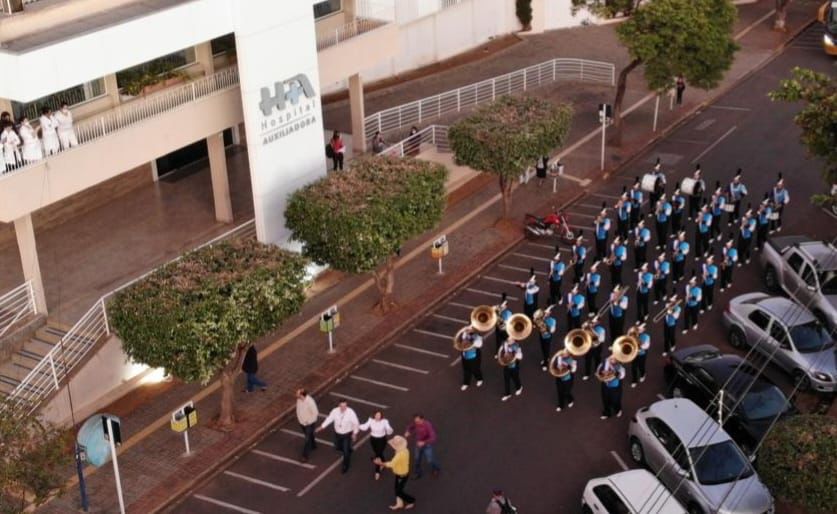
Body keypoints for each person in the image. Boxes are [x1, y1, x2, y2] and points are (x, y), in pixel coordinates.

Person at [317, 400, 360, 473]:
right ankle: (349, 448)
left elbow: (356, 423)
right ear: (339, 405)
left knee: (345, 452)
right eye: (342, 406)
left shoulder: (351, 412)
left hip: (346, 434)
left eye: (345, 406)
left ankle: (345, 465)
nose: (343, 408)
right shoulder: (335, 411)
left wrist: (354, 433)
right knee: (338, 447)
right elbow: (329, 419)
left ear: (347, 405)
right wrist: (322, 426)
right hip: (337, 434)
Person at [373, 435, 415, 510]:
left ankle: (411, 500)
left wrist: (380, 463)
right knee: (397, 489)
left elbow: (391, 464)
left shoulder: (399, 455)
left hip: (401, 475)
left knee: (399, 491)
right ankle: (399, 503)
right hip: (402, 472)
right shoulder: (405, 450)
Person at [359, 411, 394, 480]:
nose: (378, 416)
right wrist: (357, 425)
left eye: (379, 415)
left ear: (381, 416)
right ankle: (383, 463)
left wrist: (389, 429)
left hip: (382, 440)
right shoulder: (370, 420)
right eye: (376, 415)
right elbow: (365, 427)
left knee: (377, 455)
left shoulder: (384, 421)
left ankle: (377, 471)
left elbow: (389, 429)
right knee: (379, 453)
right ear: (374, 415)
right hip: (373, 440)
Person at [404, 414, 440, 478]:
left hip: (427, 445)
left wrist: (424, 442)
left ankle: (436, 468)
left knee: (430, 460)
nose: (416, 423)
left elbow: (433, 437)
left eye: (418, 421)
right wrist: (408, 431)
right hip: (418, 444)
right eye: (415, 421)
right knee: (417, 459)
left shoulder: (428, 425)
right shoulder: (416, 423)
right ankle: (417, 473)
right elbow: (410, 427)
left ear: (422, 419)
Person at [295, 388, 319, 462]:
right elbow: (298, 409)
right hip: (302, 423)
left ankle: (305, 456)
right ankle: (313, 445)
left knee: (307, 439)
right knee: (309, 435)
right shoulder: (299, 400)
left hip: (309, 424)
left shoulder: (310, 402)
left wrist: (308, 422)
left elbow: (315, 413)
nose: (296, 394)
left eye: (297, 394)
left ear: (302, 395)